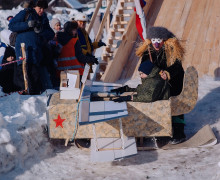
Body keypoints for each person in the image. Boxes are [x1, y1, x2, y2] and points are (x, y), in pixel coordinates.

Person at [136, 26, 185, 144]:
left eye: (159, 40)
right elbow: (144, 66)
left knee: (174, 106)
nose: (156, 43)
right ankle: (161, 132)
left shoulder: (171, 49)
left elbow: (177, 66)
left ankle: (179, 132)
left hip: (173, 82)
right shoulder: (148, 50)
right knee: (158, 105)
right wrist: (149, 72)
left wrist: (168, 73)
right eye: (153, 40)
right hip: (157, 83)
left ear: (164, 40)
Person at [8, 0, 55, 95]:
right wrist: (27, 24)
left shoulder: (44, 18)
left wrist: (41, 31)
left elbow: (51, 34)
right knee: (25, 79)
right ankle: (26, 102)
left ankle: (35, 100)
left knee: (36, 79)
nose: (42, 10)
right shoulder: (25, 13)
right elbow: (11, 25)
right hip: (24, 54)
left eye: (43, 8)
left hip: (37, 56)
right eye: (39, 8)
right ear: (34, 6)